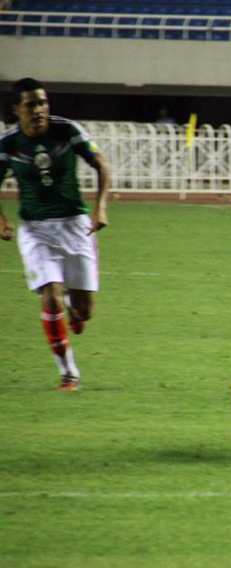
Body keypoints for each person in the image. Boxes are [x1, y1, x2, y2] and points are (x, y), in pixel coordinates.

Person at [0, 77, 111, 390]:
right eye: (31, 104)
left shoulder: (67, 130)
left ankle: (75, 313)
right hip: (36, 230)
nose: (39, 110)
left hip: (76, 225)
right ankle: (69, 372)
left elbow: (101, 164)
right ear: (16, 110)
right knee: (50, 296)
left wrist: (100, 208)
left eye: (43, 103)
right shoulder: (8, 144)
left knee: (85, 311)